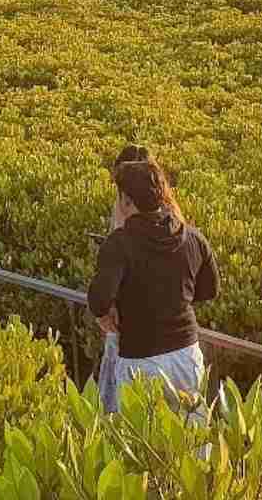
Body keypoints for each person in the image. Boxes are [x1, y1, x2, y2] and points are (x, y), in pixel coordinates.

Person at [88, 155, 218, 415]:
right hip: (186, 355)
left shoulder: (119, 243)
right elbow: (210, 289)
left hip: (140, 360)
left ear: (126, 200)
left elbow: (99, 300)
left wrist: (108, 313)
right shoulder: (193, 237)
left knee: (142, 446)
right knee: (192, 441)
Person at [95, 145, 185, 412]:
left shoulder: (125, 217)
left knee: (132, 419)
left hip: (137, 342)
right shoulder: (175, 220)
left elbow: (103, 293)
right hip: (178, 342)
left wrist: (105, 311)